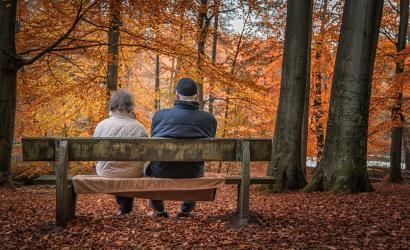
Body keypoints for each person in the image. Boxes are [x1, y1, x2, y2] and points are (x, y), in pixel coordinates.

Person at [145, 77, 217, 218]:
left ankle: (159, 210)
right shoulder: (209, 119)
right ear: (196, 96)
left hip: (161, 171)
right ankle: (185, 211)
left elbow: (154, 141)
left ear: (177, 95)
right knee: (194, 166)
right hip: (193, 172)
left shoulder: (159, 116)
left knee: (153, 166)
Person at [93, 89, 148, 215]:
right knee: (128, 169)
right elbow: (145, 154)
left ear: (112, 105)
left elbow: (96, 152)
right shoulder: (139, 127)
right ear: (130, 106)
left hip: (106, 172)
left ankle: (124, 207)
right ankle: (126, 207)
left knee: (113, 169)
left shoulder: (101, 125)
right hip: (133, 172)